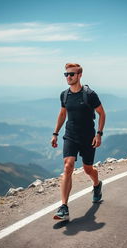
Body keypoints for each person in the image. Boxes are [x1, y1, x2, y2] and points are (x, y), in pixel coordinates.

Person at [51, 63, 106, 220]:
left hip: (88, 138)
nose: (68, 77)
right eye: (66, 74)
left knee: (88, 169)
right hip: (70, 136)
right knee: (68, 166)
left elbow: (102, 113)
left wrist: (99, 134)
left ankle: (97, 185)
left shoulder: (89, 94)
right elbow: (63, 114)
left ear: (80, 75)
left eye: (72, 74)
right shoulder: (64, 95)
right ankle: (64, 208)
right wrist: (55, 133)